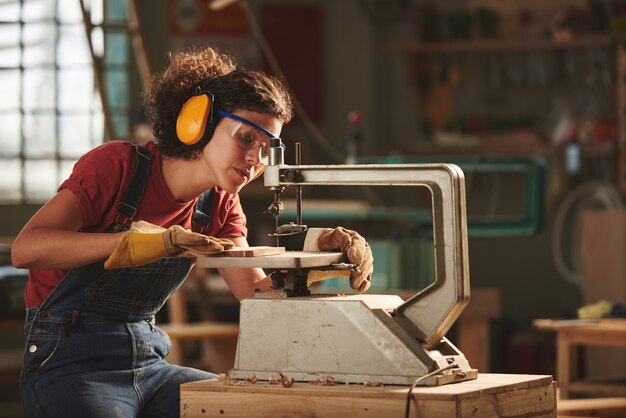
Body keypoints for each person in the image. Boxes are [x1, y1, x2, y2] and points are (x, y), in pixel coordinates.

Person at [11, 44, 373, 418]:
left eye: (267, 149)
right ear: (197, 123)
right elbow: (27, 249)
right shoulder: (117, 166)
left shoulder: (219, 204)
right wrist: (129, 242)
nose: (255, 160)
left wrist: (320, 262)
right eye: (245, 138)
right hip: (70, 364)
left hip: (148, 362)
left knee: (250, 410)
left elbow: (254, 292)